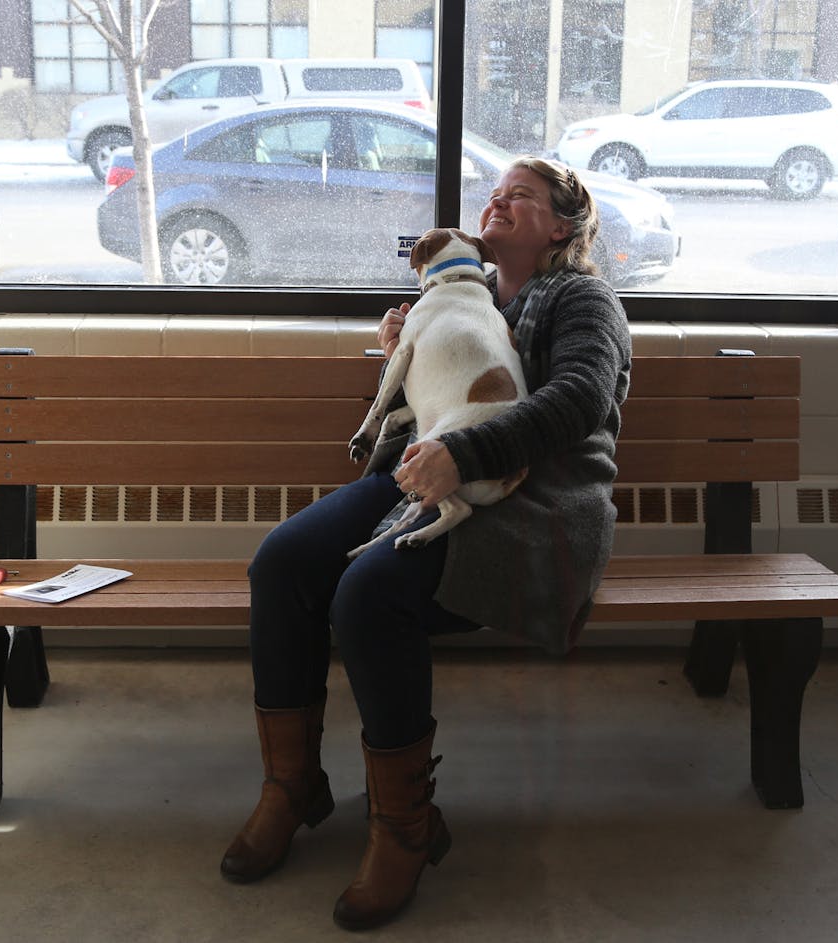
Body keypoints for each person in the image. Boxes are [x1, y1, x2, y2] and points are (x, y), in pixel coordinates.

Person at [220, 156, 633, 931]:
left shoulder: (583, 299)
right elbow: (442, 393)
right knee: (282, 564)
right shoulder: (463, 292)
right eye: (497, 192)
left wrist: (466, 456)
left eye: (524, 196)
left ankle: (404, 828)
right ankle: (290, 784)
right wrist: (401, 352)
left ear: (563, 227)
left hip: (533, 504)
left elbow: (577, 400)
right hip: (435, 470)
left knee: (369, 594)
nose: (500, 201)